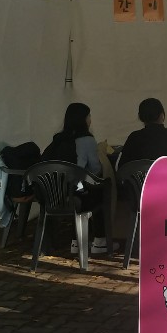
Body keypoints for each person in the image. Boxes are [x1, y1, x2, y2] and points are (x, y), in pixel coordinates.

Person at [41, 102, 114, 255]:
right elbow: (95, 170)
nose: (90, 120)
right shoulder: (87, 140)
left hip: (52, 196)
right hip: (76, 195)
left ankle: (76, 241)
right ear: (83, 119)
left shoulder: (58, 139)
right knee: (101, 189)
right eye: (89, 116)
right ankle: (100, 240)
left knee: (76, 187)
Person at [117, 97, 167, 168]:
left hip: (139, 175)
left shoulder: (134, 137)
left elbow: (121, 167)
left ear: (140, 117)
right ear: (162, 115)